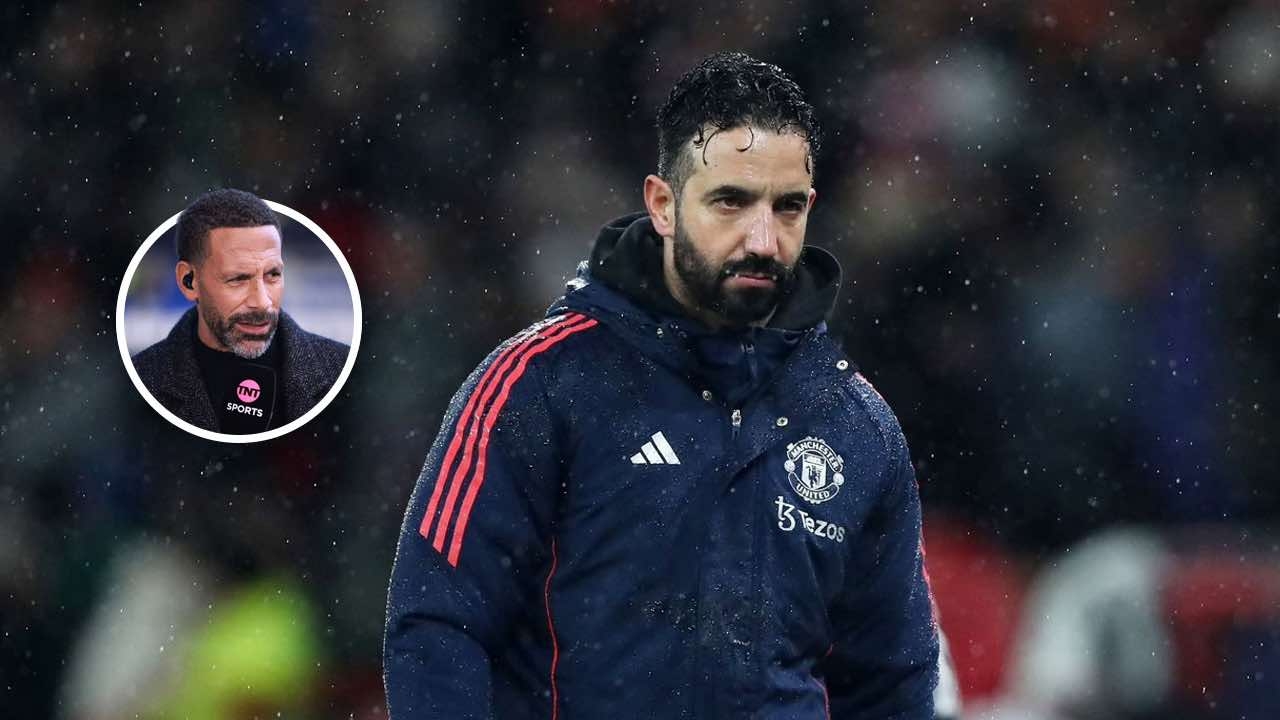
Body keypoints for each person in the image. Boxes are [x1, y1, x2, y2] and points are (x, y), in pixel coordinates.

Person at [385, 52, 941, 718]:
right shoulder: (539, 383)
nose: (763, 239)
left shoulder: (857, 425)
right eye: (731, 201)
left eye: (787, 207)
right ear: (663, 205)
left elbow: (893, 682)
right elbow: (438, 622)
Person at [131, 188, 348, 434]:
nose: (262, 302)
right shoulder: (143, 378)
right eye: (238, 279)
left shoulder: (338, 368)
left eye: (273, 275)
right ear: (189, 281)